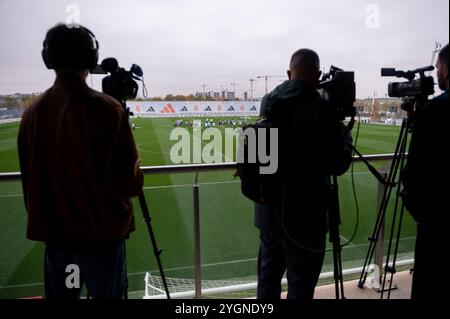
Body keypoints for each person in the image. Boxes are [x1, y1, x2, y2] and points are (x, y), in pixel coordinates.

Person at [17, 24, 143, 299]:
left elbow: (30, 183)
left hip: (58, 241)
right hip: (102, 240)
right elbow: (126, 184)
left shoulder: (32, 113)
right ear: (91, 59)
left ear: (48, 59)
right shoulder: (108, 109)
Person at [255, 49, 352, 299]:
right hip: (306, 220)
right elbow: (338, 165)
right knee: (300, 287)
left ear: (289, 74)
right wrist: (345, 136)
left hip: (269, 215)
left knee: (268, 281)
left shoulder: (268, 101)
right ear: (318, 76)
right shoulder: (323, 108)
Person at [402, 43, 449, 299]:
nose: (438, 73)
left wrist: (419, 211)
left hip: (437, 223)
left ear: (446, 69)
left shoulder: (435, 111)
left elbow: (414, 173)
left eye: (439, 67)